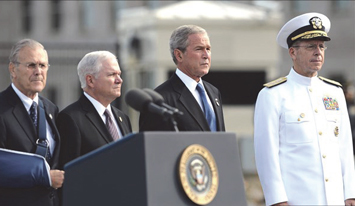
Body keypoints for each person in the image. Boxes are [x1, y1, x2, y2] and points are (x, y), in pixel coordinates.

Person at [254, 13, 355, 206]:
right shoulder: (273, 95)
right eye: (311, 46)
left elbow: (344, 147)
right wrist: (277, 200)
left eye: (321, 46)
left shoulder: (334, 92)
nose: (318, 52)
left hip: (335, 200)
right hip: (297, 200)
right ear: (292, 52)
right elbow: (266, 155)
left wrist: (350, 193)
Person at [0, 39, 64, 206]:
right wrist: (44, 175)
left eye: (43, 66)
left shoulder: (51, 109)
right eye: (31, 65)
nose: (38, 72)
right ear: (13, 69)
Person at [139, 25, 225, 132]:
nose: (206, 55)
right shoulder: (160, 101)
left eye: (208, 49)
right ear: (179, 55)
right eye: (199, 49)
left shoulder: (214, 92)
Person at [57, 51, 132, 168]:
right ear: (90, 80)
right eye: (112, 75)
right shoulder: (71, 118)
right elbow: (70, 172)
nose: (119, 80)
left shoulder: (123, 118)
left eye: (119, 74)